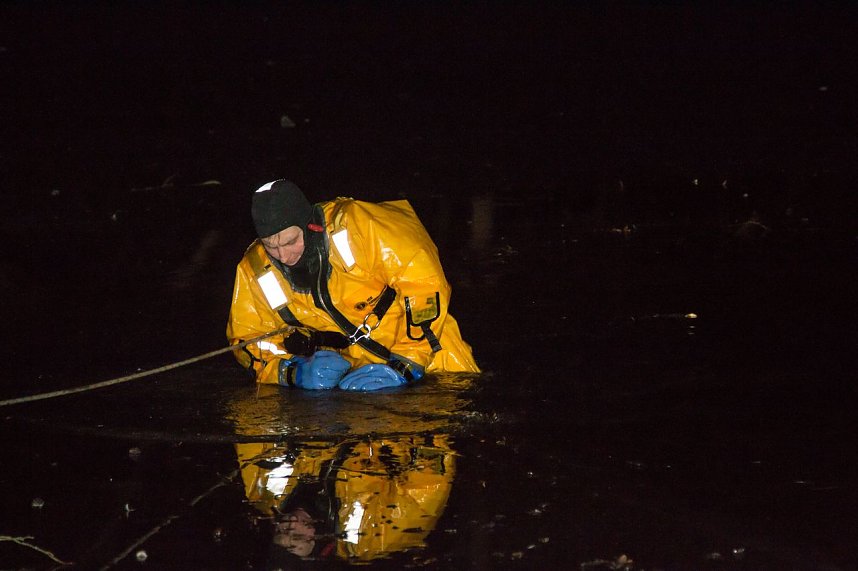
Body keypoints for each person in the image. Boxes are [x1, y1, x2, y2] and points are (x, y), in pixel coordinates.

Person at [227, 179, 479, 391]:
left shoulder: (357, 225)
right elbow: (249, 339)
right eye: (271, 246)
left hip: (434, 355)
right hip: (355, 379)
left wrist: (408, 361)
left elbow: (423, 284)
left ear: (309, 225)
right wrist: (291, 372)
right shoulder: (255, 270)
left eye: (291, 241)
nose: (283, 255)